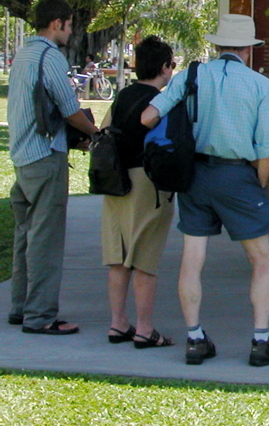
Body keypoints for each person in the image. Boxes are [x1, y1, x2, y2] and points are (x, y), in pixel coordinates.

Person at [140, 14, 269, 367]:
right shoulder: (259, 85)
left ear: (217, 45)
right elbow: (267, 149)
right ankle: (261, 339)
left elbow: (148, 116)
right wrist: (260, 187)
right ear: (248, 50)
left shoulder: (191, 76)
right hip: (237, 176)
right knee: (262, 258)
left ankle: (194, 338)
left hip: (194, 175)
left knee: (192, 258)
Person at [8, 0, 99, 334]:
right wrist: (94, 133)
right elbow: (70, 109)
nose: (71, 31)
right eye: (71, 25)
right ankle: (40, 316)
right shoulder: (50, 57)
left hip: (22, 156)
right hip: (46, 156)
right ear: (57, 23)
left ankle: (21, 307)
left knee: (26, 236)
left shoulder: (23, 54)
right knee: (46, 240)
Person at [101, 36, 176, 348]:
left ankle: (118, 323)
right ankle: (146, 328)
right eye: (171, 65)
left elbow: (104, 130)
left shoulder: (122, 97)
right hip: (148, 183)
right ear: (163, 67)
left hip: (115, 181)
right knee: (145, 257)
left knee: (118, 257)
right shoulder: (160, 101)